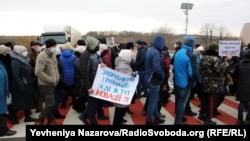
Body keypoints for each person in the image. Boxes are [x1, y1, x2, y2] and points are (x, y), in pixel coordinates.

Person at [199, 42, 232, 125]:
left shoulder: (204, 57)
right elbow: (221, 70)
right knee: (211, 102)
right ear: (215, 49)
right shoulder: (215, 59)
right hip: (214, 85)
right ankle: (208, 119)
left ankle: (201, 115)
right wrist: (228, 60)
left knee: (206, 101)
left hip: (206, 82)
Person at [78, 36, 107, 125]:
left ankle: (83, 116)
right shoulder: (85, 55)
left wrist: (101, 64)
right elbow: (84, 72)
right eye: (97, 45)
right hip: (91, 84)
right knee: (92, 105)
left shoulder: (94, 54)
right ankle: (92, 121)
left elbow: (97, 63)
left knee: (95, 103)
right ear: (92, 45)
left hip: (96, 82)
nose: (98, 46)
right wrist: (89, 87)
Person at [173, 35, 198, 125]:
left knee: (179, 101)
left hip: (177, 81)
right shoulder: (191, 55)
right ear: (192, 45)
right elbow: (192, 73)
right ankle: (178, 121)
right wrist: (196, 79)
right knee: (182, 103)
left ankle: (178, 120)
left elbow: (174, 68)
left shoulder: (178, 52)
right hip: (186, 83)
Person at [35, 39, 60, 125]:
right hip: (45, 84)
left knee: (49, 103)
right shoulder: (42, 56)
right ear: (49, 47)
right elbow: (38, 72)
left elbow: (55, 68)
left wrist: (57, 78)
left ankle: (51, 121)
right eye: (54, 47)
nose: (55, 48)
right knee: (51, 104)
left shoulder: (53, 55)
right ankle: (40, 120)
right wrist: (51, 80)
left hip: (53, 83)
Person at [9, 45, 37, 124]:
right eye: (23, 51)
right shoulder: (15, 62)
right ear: (19, 52)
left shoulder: (24, 60)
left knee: (27, 101)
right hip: (19, 85)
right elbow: (16, 75)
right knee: (18, 102)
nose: (25, 52)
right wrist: (21, 86)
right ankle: (12, 116)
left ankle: (27, 117)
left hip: (27, 84)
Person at [144, 35, 166, 125]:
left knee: (155, 99)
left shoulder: (150, 51)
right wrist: (162, 76)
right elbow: (156, 69)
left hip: (148, 78)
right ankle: (149, 121)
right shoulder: (156, 53)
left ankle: (156, 116)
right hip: (153, 79)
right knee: (153, 101)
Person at [0, 45, 16, 137]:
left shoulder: (1, 62)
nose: (8, 54)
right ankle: (2, 130)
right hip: (0, 91)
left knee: (1, 112)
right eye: (6, 53)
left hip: (2, 91)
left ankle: (3, 129)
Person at [235, 49, 250, 125]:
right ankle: (248, 119)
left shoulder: (240, 63)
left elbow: (236, 74)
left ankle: (239, 119)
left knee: (242, 103)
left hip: (241, 85)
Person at [28, 40, 44, 113]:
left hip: (40, 77)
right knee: (35, 93)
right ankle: (34, 107)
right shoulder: (30, 54)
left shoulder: (40, 53)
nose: (39, 47)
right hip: (34, 77)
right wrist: (37, 70)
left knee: (40, 93)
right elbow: (28, 66)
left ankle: (39, 108)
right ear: (34, 47)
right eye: (38, 46)